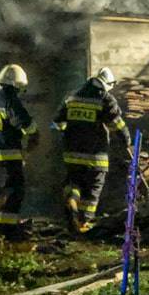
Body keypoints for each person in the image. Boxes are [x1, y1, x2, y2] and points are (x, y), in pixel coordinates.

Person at [52, 67, 131, 233]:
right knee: (93, 188)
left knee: (74, 183)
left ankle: (72, 199)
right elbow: (116, 125)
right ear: (107, 84)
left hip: (71, 154)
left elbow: (57, 123)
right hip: (95, 155)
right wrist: (126, 142)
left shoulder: (72, 96)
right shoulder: (105, 99)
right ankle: (83, 222)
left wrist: (71, 133)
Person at [0, 64, 39, 238]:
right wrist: (33, 137)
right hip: (7, 158)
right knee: (14, 192)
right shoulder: (10, 101)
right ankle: (8, 231)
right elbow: (27, 125)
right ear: (17, 86)